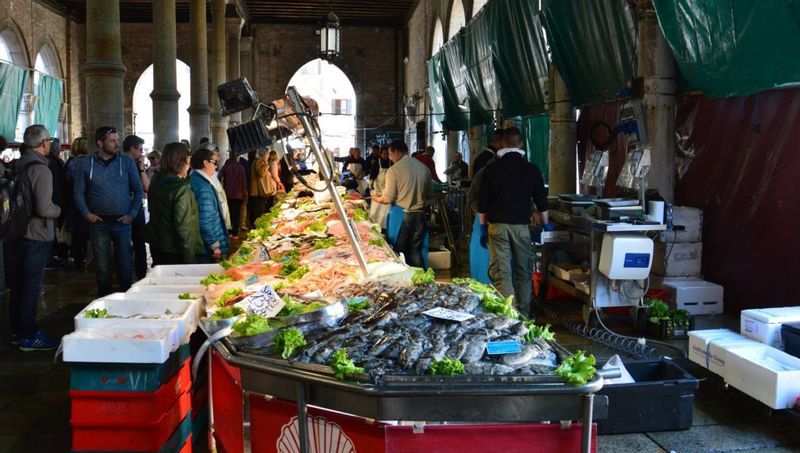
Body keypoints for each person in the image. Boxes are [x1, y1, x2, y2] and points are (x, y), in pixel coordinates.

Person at [478, 127, 549, 316]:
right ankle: (524, 314)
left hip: (498, 227)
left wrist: (482, 227)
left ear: (502, 143)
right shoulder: (531, 169)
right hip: (521, 228)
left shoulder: (491, 169)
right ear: (521, 144)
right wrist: (546, 223)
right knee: (523, 271)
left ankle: (508, 316)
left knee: (502, 272)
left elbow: (482, 203)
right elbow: (542, 201)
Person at [5, 125, 61, 351]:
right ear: (44, 142)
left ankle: (18, 332)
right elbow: (45, 208)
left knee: (18, 285)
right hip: (36, 235)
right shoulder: (40, 169)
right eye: (48, 140)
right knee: (30, 286)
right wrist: (58, 210)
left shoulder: (17, 165)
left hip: (15, 233)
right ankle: (29, 335)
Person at [73, 126, 143, 296]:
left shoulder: (126, 162)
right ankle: (105, 301)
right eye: (112, 141)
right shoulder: (85, 164)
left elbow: (139, 190)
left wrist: (132, 214)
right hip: (98, 223)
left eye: (117, 140)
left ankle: (126, 300)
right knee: (102, 266)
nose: (117, 144)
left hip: (122, 222)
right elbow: (78, 192)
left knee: (125, 264)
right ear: (100, 143)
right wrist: (86, 214)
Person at [372, 140, 432, 268]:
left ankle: (403, 283)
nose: (390, 158)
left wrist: (375, 198)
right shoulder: (424, 168)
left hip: (402, 217)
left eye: (390, 154)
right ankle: (422, 282)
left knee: (399, 252)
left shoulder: (394, 170)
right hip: (420, 216)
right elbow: (429, 196)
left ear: (396, 152)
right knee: (416, 250)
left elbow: (388, 198)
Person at [146, 142, 204, 264]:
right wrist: (190, 262)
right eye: (188, 160)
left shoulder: (156, 180)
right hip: (174, 252)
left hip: (158, 246)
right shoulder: (180, 189)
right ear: (182, 161)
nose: (189, 165)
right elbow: (184, 230)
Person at [189, 147, 231, 262]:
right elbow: (205, 220)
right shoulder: (204, 188)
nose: (216, 166)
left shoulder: (194, 179)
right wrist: (215, 245)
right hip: (206, 247)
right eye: (214, 162)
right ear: (205, 162)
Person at [122, 135, 149, 280]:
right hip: (125, 208)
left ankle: (140, 274)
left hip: (136, 208)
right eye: (140, 149)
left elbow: (145, 188)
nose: (142, 153)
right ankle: (130, 275)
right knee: (127, 244)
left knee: (138, 242)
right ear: (132, 149)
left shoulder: (136, 164)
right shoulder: (122, 164)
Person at [64, 137, 91, 268]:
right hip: (90, 200)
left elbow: (67, 182)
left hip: (75, 201)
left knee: (77, 230)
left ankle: (78, 257)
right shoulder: (91, 161)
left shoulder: (71, 163)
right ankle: (88, 255)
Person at [219, 152, 248, 238]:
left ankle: (229, 231)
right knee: (236, 213)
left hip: (227, 194)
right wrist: (245, 194)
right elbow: (244, 182)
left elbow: (220, 179)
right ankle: (235, 233)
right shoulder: (241, 168)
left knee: (229, 213)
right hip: (238, 194)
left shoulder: (225, 167)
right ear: (237, 157)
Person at [249, 149, 276, 226]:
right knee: (258, 210)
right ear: (264, 154)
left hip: (260, 190)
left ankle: (258, 224)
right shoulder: (259, 161)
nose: (268, 156)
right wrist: (266, 165)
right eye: (267, 154)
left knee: (260, 209)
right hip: (259, 190)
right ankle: (257, 225)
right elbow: (261, 173)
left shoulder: (260, 161)